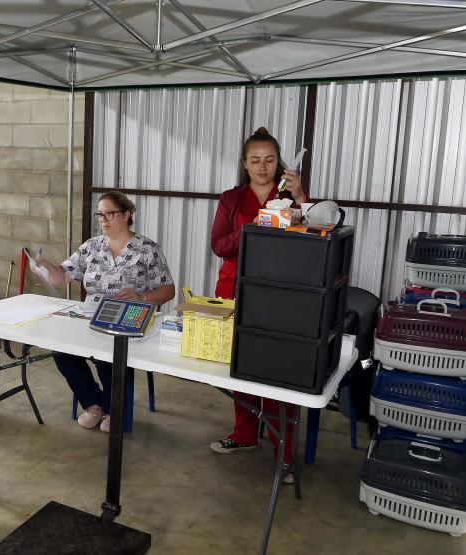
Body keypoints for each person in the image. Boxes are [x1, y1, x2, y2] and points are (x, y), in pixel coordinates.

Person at [208, 127, 310, 483]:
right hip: (234, 288)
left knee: (279, 370)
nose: (263, 167)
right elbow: (219, 245)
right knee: (242, 364)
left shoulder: (293, 198)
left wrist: (300, 197)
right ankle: (244, 435)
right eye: (255, 160)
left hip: (279, 293)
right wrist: (252, 227)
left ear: (278, 163)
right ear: (245, 164)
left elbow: (315, 237)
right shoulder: (231, 199)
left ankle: (285, 451)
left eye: (269, 160)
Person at [31, 191, 176, 432]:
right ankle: (94, 404)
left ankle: (113, 409)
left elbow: (168, 290)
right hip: (91, 316)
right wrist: (45, 268)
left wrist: (141, 297)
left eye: (110, 213)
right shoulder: (92, 246)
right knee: (62, 352)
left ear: (127, 214)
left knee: (107, 356)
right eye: (100, 214)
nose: (104, 219)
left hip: (128, 318)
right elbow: (63, 275)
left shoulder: (147, 249)